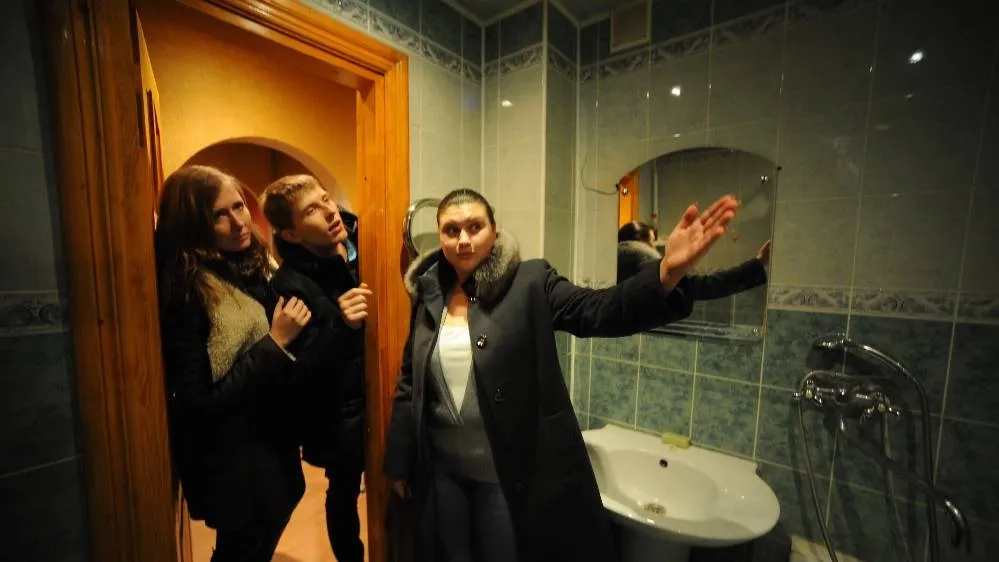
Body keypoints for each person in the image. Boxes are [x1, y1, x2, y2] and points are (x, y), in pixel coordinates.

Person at [383, 188, 739, 562]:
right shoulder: (429, 295)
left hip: (503, 476)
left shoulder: (530, 282)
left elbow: (598, 309)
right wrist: (399, 460)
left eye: (475, 226)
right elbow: (410, 382)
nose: (464, 240)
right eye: (451, 230)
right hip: (442, 474)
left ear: (494, 230)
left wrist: (665, 273)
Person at [155, 165, 310, 562]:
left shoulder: (251, 266)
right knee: (241, 547)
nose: (239, 222)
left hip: (271, 445)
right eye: (218, 215)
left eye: (239, 206)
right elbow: (198, 402)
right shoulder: (189, 290)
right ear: (192, 225)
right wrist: (275, 343)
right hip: (235, 460)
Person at [262, 175, 368, 562]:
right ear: (291, 234)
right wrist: (340, 325)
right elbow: (296, 376)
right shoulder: (288, 285)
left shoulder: (364, 243)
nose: (329, 212)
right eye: (311, 210)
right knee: (343, 493)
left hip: (381, 394)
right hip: (337, 416)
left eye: (326, 199)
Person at [617, 220, 771, 299]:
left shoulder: (614, 267)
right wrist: (757, 265)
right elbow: (703, 286)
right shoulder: (648, 267)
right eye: (652, 242)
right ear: (641, 242)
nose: (654, 247)